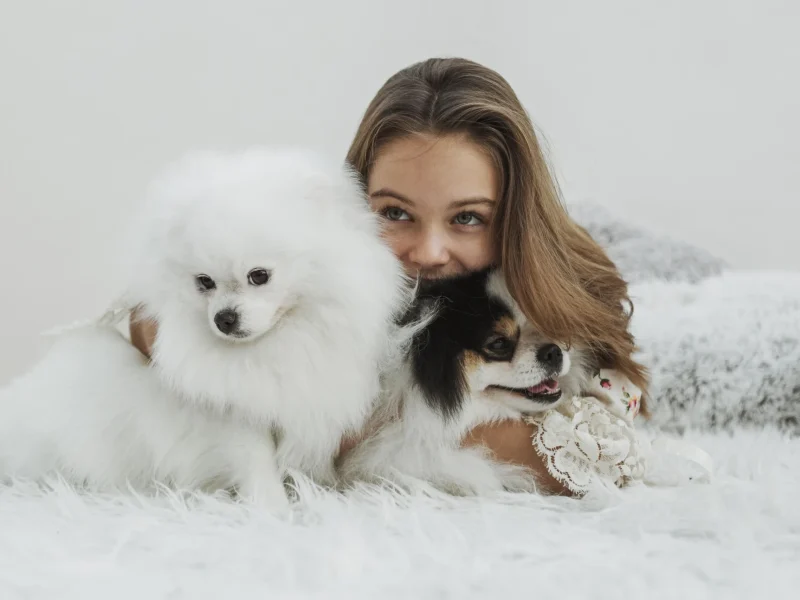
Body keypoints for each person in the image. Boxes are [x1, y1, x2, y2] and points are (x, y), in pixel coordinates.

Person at [130, 57, 648, 496]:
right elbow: (140, 317)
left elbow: (614, 442)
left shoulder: (558, 287)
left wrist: (392, 430)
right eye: (396, 213)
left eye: (467, 217)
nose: (428, 251)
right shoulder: (312, 249)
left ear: (515, 213)